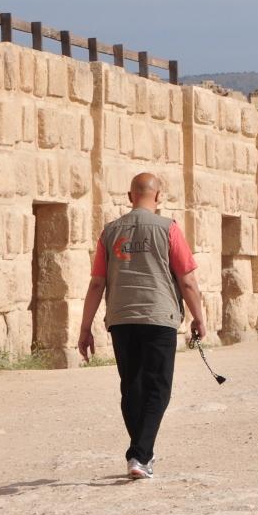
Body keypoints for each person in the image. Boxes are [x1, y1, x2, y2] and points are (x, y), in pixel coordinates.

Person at [78, 173, 207, 480]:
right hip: (159, 317)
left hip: (122, 318)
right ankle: (140, 455)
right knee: (158, 387)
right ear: (158, 196)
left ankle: (140, 451)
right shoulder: (168, 228)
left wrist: (85, 328)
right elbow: (187, 280)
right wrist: (199, 317)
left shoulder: (110, 232)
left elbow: (96, 283)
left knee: (131, 386)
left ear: (129, 196)